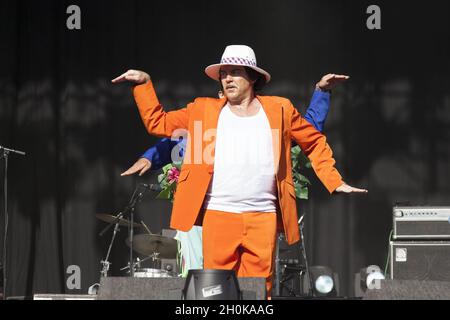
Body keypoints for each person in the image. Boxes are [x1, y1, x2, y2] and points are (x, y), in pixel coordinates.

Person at [112, 45, 367, 297]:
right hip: (219, 215)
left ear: (253, 77)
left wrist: (334, 181)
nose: (227, 78)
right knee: (217, 291)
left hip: (263, 217)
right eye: (223, 73)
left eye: (234, 72)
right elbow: (159, 123)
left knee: (258, 291)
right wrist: (144, 84)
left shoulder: (279, 108)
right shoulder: (203, 109)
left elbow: (312, 140)